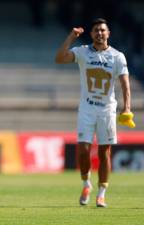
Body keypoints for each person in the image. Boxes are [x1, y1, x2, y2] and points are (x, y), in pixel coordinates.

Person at [55, 18, 133, 207]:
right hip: (87, 108)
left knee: (105, 152)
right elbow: (59, 59)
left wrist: (127, 107)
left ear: (108, 34)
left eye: (103, 30)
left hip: (107, 109)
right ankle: (86, 183)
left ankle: (102, 192)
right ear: (91, 34)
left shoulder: (117, 56)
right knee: (83, 150)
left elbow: (124, 84)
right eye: (96, 30)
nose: (99, 33)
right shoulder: (82, 52)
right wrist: (71, 37)